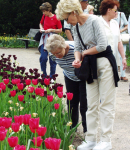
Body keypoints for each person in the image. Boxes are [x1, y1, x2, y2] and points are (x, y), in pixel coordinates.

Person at [55, 0, 126, 149]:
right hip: (89, 66)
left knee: (106, 103)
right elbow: (78, 47)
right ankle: (91, 139)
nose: (66, 22)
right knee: (91, 105)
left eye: (66, 18)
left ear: (73, 12)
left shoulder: (94, 20)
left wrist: (83, 54)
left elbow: (101, 45)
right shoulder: (76, 27)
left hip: (105, 62)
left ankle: (106, 141)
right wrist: (77, 59)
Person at [45, 34, 87, 133]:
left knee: (84, 105)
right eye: (54, 54)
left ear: (64, 46)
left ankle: (87, 130)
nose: (57, 56)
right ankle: (72, 128)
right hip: (69, 77)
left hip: (83, 78)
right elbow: (56, 58)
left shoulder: (75, 49)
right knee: (71, 103)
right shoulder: (52, 54)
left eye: (58, 53)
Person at [38, 2, 62, 81]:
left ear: (49, 10)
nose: (43, 13)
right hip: (44, 39)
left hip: (53, 40)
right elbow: (40, 24)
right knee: (43, 58)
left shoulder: (56, 18)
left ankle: (52, 77)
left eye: (44, 11)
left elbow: (60, 30)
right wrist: (41, 28)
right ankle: (44, 75)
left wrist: (51, 30)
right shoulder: (44, 16)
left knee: (52, 59)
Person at [114, 11, 128, 81]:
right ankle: (115, 74)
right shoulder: (109, 15)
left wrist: (120, 30)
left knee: (122, 56)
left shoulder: (121, 14)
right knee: (114, 56)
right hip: (113, 38)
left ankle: (123, 75)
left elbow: (127, 25)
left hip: (121, 37)